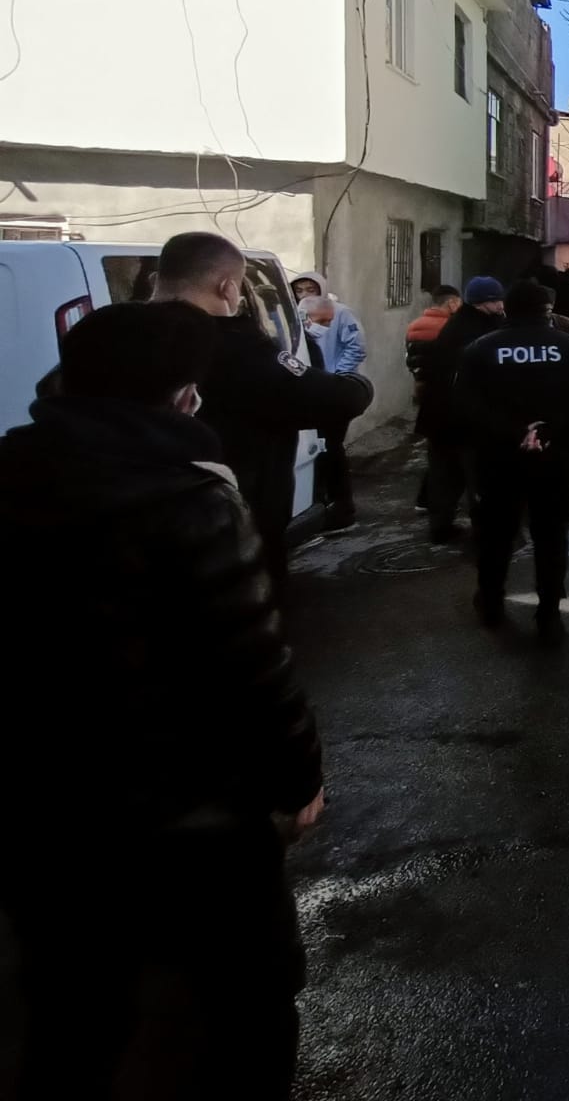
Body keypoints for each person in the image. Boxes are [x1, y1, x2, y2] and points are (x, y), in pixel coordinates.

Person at [0, 301, 326, 1098]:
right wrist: (298, 778)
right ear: (184, 395)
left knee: (70, 1010)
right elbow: (251, 661)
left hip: (42, 804)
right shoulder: (190, 497)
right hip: (191, 807)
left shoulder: (13, 472)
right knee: (247, 1000)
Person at [154, 232, 372, 587]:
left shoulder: (105, 332)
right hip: (230, 524)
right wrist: (358, 383)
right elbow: (336, 399)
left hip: (128, 527)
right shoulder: (233, 344)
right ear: (228, 288)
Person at [456, 280, 569, 642]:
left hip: (499, 458)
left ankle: (491, 602)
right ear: (545, 311)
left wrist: (515, 430)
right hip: (555, 456)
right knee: (551, 535)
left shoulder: (481, 349)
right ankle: (549, 615)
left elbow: (466, 406)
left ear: (507, 309)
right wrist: (547, 429)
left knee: (496, 534)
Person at [417, 277, 505, 543]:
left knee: (444, 475)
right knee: (477, 476)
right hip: (466, 420)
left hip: (440, 417)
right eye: (496, 300)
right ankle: (485, 532)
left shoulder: (457, 325)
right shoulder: (481, 331)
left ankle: (440, 527)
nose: (501, 305)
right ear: (482, 302)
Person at [298, 291, 366, 531]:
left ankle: (339, 507)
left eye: (329, 322)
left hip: (330, 396)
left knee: (331, 451)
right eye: (323, 321)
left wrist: (336, 379)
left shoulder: (342, 315)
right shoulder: (300, 341)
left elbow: (356, 347)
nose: (326, 327)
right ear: (305, 316)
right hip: (317, 399)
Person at [405, 286, 463, 511]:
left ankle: (426, 499)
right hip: (446, 396)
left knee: (436, 451)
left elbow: (413, 361)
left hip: (425, 393)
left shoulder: (415, 325)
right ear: (452, 303)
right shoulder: (450, 328)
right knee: (450, 453)